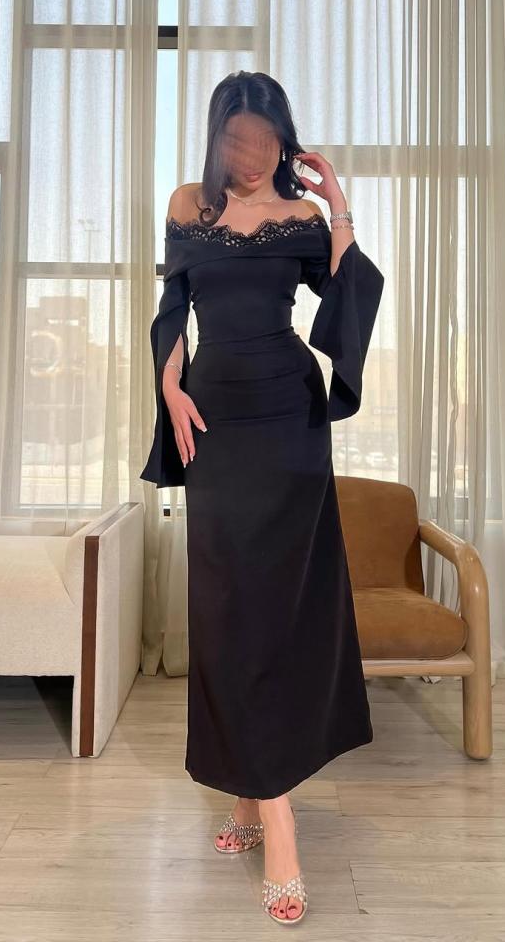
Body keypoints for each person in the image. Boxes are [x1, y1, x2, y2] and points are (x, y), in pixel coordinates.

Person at [140, 70, 385, 925]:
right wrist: (169, 389)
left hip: (288, 415)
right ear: (216, 138)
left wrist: (340, 205)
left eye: (265, 140)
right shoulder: (188, 205)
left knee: (278, 605)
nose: (249, 155)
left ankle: (272, 817)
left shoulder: (303, 217)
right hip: (213, 416)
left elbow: (346, 299)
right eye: (235, 139)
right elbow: (173, 305)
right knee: (226, 605)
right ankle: (251, 791)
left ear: (284, 141)